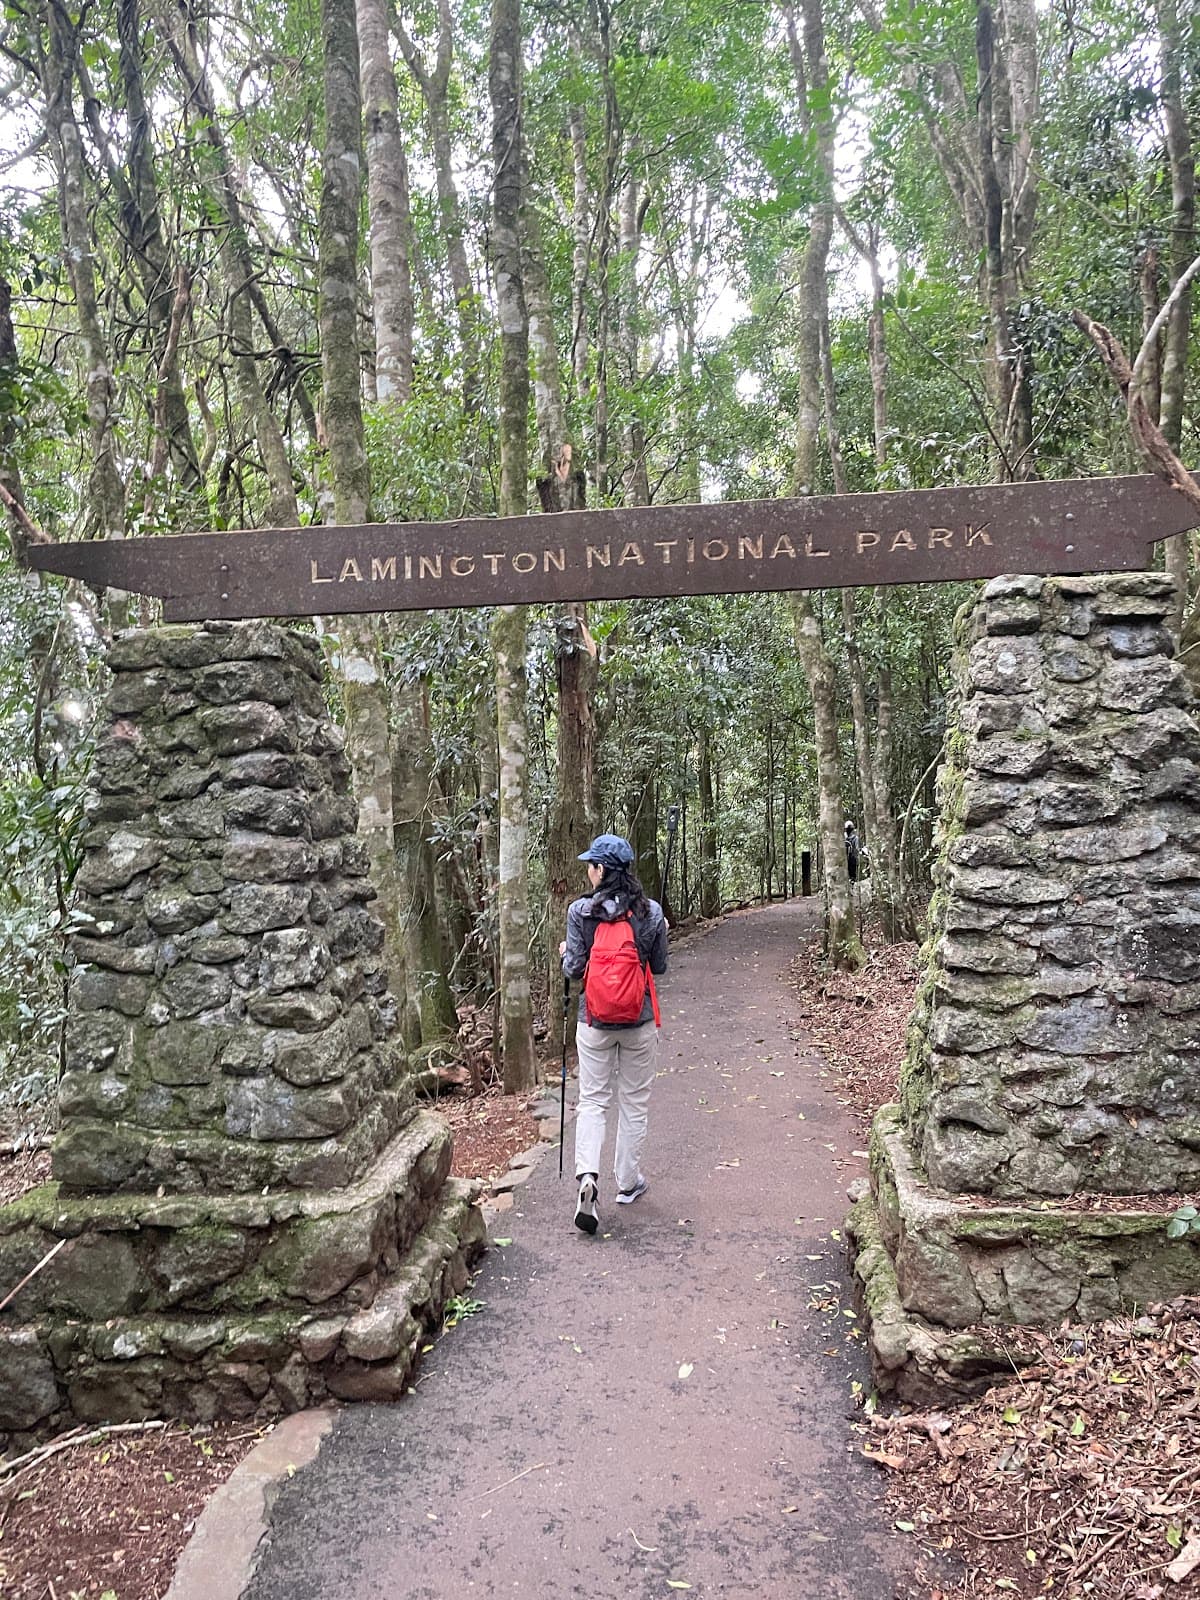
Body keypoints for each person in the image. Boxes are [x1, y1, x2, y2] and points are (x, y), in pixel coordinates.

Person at [559, 833, 668, 1235]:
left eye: (591, 864)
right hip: (638, 1022)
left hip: (594, 1023)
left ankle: (588, 1176)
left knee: (593, 1101)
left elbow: (573, 969)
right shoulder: (651, 912)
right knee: (633, 1103)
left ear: (602, 870)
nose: (588, 870)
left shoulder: (580, 912)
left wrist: (565, 956)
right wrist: (660, 931)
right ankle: (627, 1182)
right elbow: (658, 967)